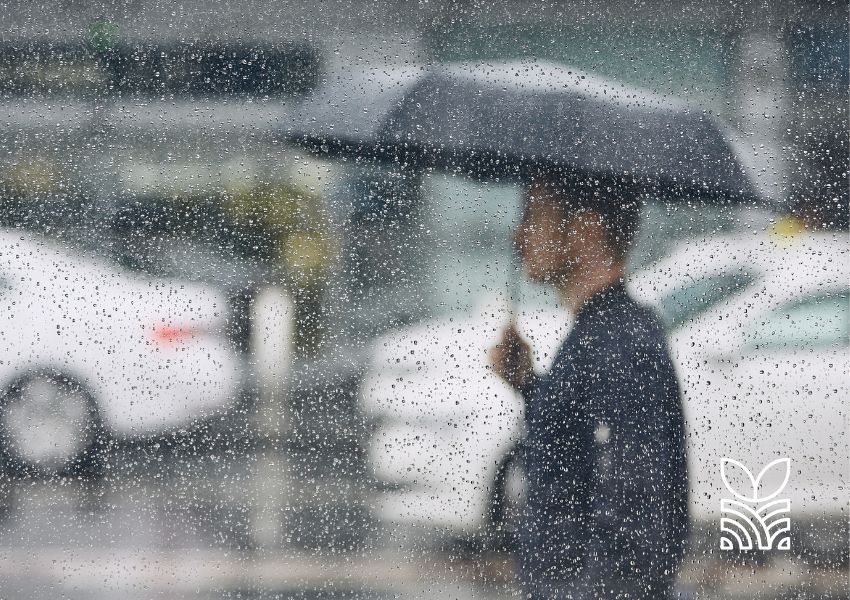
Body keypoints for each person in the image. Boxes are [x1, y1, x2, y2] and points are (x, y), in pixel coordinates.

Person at [489, 174, 689, 600]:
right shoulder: (599, 333)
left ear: (586, 229)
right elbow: (577, 451)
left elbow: (639, 513)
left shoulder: (620, 342)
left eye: (534, 216)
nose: (517, 236)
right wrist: (528, 384)